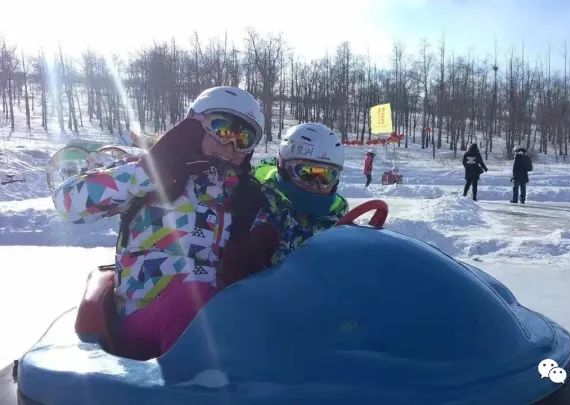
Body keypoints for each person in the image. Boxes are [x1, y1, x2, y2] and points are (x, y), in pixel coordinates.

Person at [53, 86, 264, 359]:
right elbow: (68, 204)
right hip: (139, 316)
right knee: (192, 298)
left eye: (244, 139)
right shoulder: (148, 175)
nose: (231, 146)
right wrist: (151, 169)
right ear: (193, 127)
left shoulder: (241, 197)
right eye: (223, 130)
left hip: (213, 320)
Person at [219, 122, 349, 285]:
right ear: (284, 168)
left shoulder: (339, 220)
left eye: (327, 176)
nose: (316, 184)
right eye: (306, 173)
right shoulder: (254, 202)